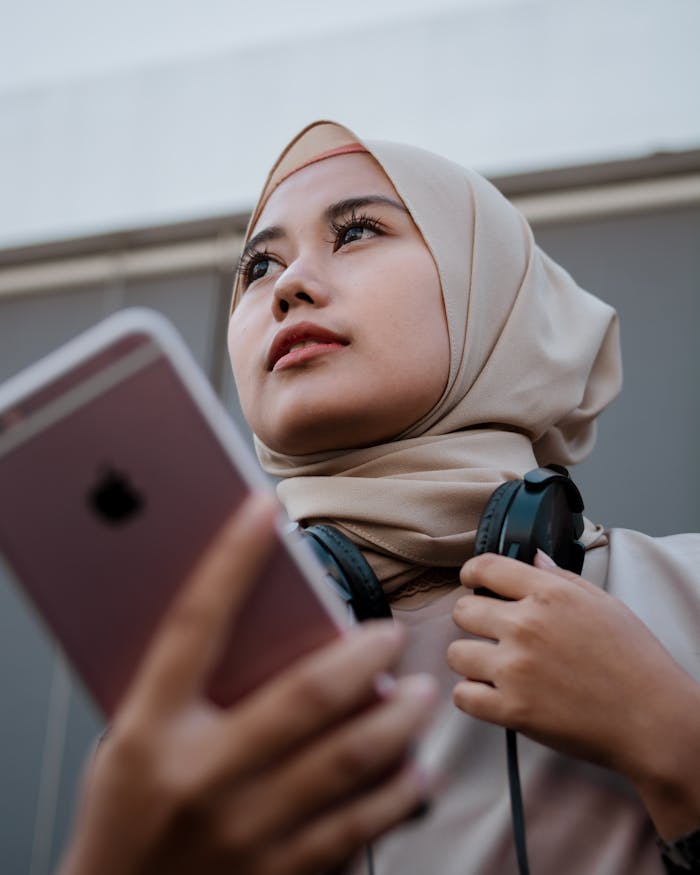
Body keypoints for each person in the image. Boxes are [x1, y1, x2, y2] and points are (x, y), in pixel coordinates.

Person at [59, 120, 700, 874]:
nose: (287, 287)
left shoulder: (686, 596)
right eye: (259, 266)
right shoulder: (185, 712)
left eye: (357, 231)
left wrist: (675, 742)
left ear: (487, 289)